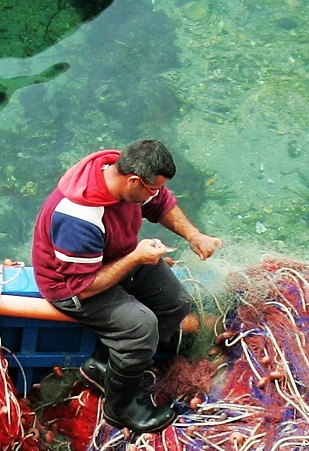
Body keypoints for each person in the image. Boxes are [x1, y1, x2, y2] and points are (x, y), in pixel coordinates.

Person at [31, 138, 221, 433]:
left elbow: (161, 205)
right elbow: (83, 287)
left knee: (174, 303)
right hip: (71, 285)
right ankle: (121, 408)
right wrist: (135, 258)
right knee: (140, 326)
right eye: (152, 188)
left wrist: (195, 236)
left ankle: (105, 365)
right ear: (133, 180)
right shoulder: (78, 217)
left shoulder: (126, 178)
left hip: (114, 259)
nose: (156, 194)